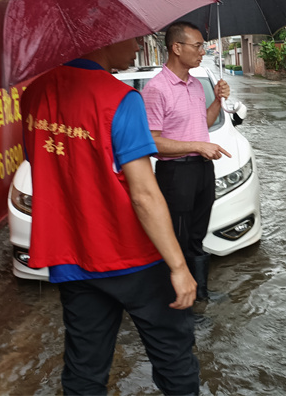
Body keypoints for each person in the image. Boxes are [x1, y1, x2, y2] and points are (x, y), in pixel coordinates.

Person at [21, 37, 200, 395]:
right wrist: (180, 267)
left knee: (84, 368)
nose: (137, 46)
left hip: (72, 256)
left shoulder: (34, 93)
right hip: (133, 255)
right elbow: (144, 194)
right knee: (174, 356)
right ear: (102, 39)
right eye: (131, 38)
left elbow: (39, 161)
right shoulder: (120, 99)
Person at [141, 21, 231, 301]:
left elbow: (201, 124)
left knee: (196, 235)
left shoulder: (193, 84)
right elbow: (152, 142)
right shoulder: (157, 89)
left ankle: (200, 293)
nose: (203, 51)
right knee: (177, 240)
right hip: (176, 174)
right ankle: (179, 304)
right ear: (176, 48)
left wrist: (216, 100)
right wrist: (197, 146)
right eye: (198, 45)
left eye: (203, 45)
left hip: (202, 170)